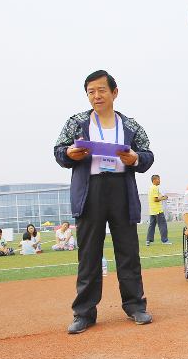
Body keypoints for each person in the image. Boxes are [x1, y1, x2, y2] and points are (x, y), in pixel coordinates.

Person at [54, 69, 154, 334]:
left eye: (101, 90)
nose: (96, 96)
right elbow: (59, 151)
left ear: (114, 92)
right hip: (90, 191)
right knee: (88, 254)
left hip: (122, 190)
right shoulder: (77, 122)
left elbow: (147, 154)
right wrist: (70, 154)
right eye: (91, 92)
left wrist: (136, 159)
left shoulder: (130, 125)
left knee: (128, 251)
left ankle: (135, 305)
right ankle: (84, 313)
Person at [145, 174, 170, 246]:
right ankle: (165, 240)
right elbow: (155, 199)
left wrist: (163, 196)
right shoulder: (155, 188)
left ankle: (148, 240)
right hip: (158, 210)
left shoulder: (151, 188)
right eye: (158, 179)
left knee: (152, 226)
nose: (159, 181)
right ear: (154, 180)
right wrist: (164, 198)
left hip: (152, 211)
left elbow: (159, 196)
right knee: (163, 225)